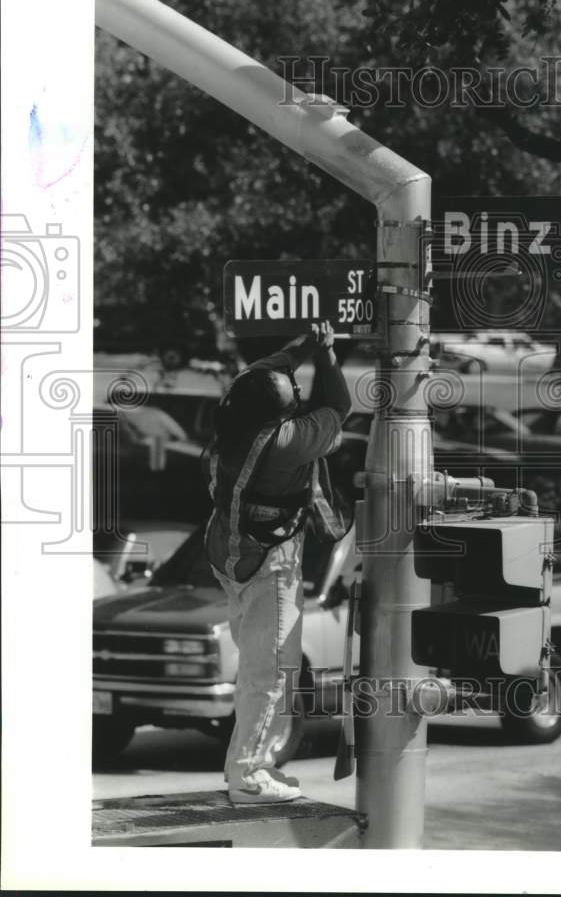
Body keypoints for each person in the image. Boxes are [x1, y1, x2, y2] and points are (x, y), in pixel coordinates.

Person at [204, 320, 352, 804]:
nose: (295, 383)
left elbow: (270, 369)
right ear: (279, 413)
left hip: (229, 551)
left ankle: (253, 763)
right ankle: (248, 775)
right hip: (269, 562)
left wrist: (308, 344)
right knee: (270, 673)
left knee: (256, 663)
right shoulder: (285, 442)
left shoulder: (237, 404)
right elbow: (339, 408)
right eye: (291, 390)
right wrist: (326, 356)